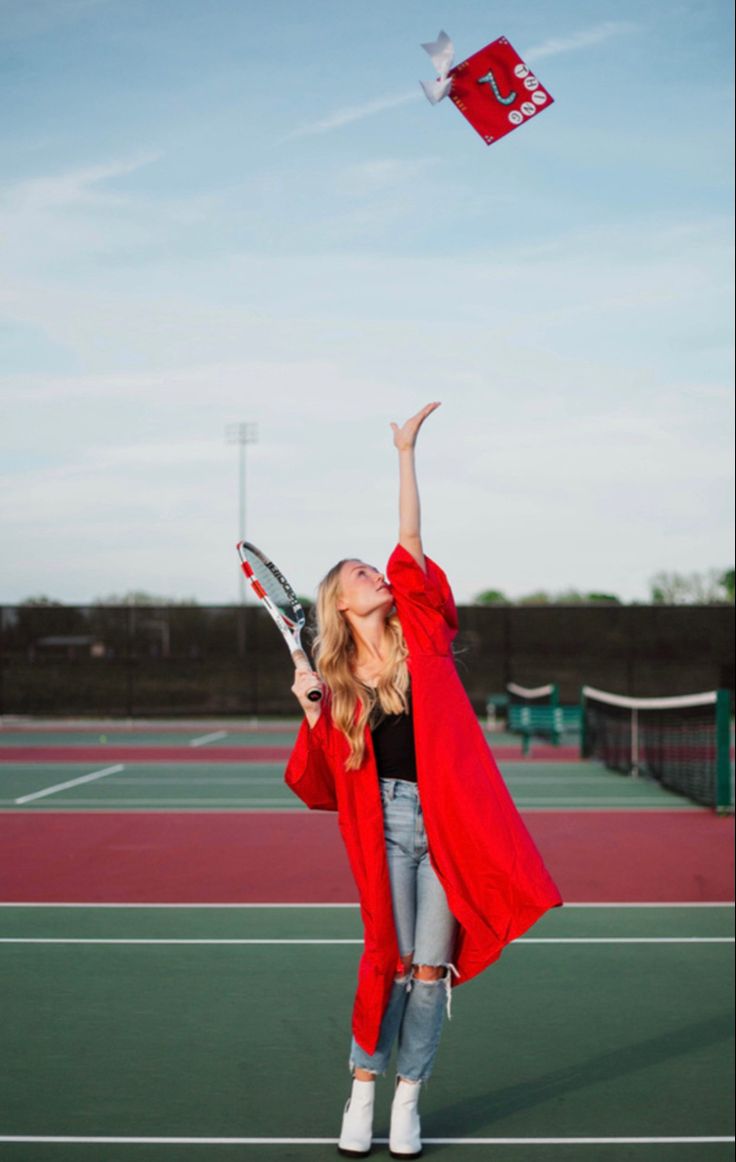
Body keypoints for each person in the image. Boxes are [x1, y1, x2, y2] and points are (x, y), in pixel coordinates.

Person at [285, 403, 562, 1159]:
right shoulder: (338, 681)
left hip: (450, 826)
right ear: (341, 602)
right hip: (385, 825)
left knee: (430, 969)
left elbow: (409, 540)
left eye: (374, 569)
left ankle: (408, 1100)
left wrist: (405, 453)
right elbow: (321, 782)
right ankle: (363, 1088)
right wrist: (313, 709)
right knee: (388, 959)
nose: (376, 573)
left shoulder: (423, 629)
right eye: (359, 574)